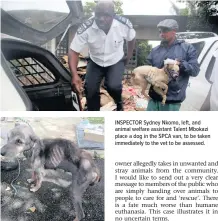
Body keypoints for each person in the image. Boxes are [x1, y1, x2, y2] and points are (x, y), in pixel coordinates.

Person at [68, 0, 136, 111]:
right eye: (98, 14)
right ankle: (94, 115)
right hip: (95, 61)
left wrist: (128, 56)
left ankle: (119, 104)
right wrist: (74, 75)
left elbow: (131, 38)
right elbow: (73, 51)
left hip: (115, 60)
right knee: (90, 89)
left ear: (113, 15)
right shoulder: (86, 28)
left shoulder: (123, 24)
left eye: (106, 15)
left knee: (113, 86)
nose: (101, 18)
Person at [146, 19, 200, 111]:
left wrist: (179, 63)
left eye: (165, 31)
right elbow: (147, 69)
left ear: (174, 31)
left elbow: (195, 70)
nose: (162, 34)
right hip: (153, 99)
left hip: (172, 101)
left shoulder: (187, 48)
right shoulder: (155, 50)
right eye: (160, 31)